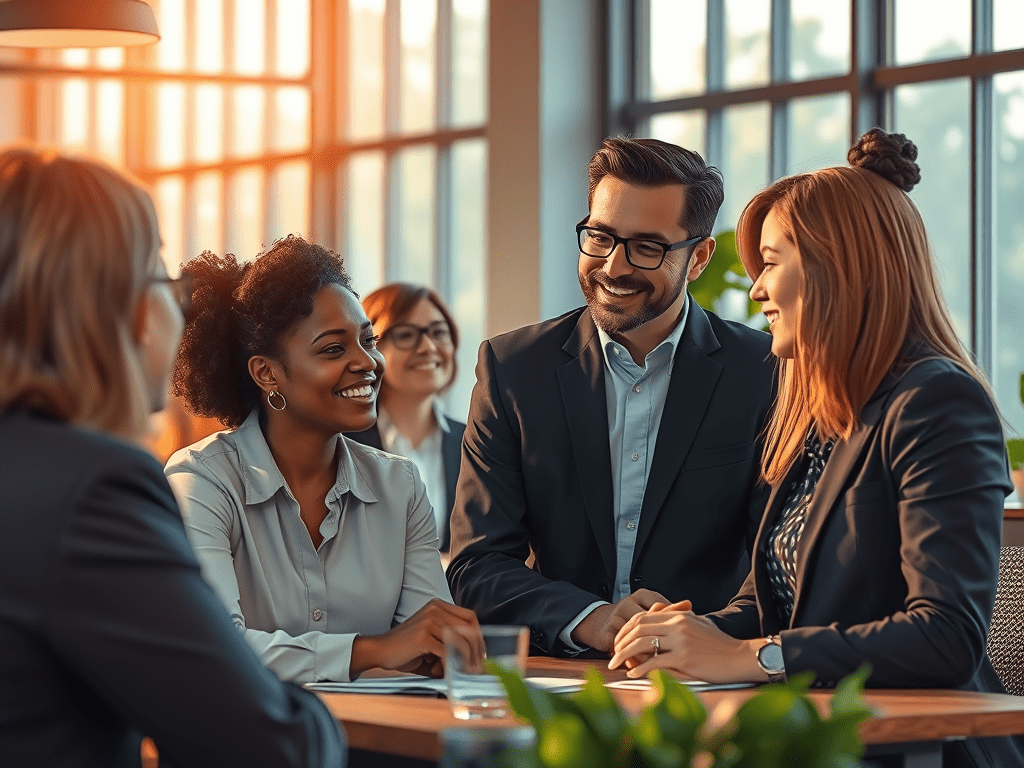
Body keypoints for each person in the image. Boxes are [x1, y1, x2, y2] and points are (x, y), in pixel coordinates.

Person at [609, 128, 1023, 768]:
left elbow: (947, 636)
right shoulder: (821, 413)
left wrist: (753, 656)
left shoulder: (939, 403)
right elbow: (769, 600)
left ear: (838, 264)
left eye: (771, 263)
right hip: (814, 736)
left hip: (915, 749)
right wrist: (690, 635)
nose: (755, 292)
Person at [0, 147, 344, 767]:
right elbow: (272, 749)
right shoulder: (94, 492)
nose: (179, 309)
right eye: (166, 279)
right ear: (128, 313)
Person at [447, 137, 775, 657]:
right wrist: (591, 620)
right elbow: (477, 565)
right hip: (561, 685)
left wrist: (703, 638)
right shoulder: (512, 371)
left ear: (698, 259)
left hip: (713, 686)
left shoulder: (766, 373)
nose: (614, 266)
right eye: (600, 237)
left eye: (648, 247)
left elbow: (778, 567)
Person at [165, 237, 479, 684]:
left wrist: (433, 646)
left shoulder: (400, 486)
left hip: (380, 742)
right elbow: (212, 648)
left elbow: (429, 650)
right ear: (267, 373)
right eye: (334, 349)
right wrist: (373, 651)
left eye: (367, 341)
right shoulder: (202, 482)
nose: (367, 362)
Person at [346, 283, 466, 558]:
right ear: (368, 348)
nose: (427, 347)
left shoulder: (474, 443)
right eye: (405, 334)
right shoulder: (340, 443)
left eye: (438, 332)